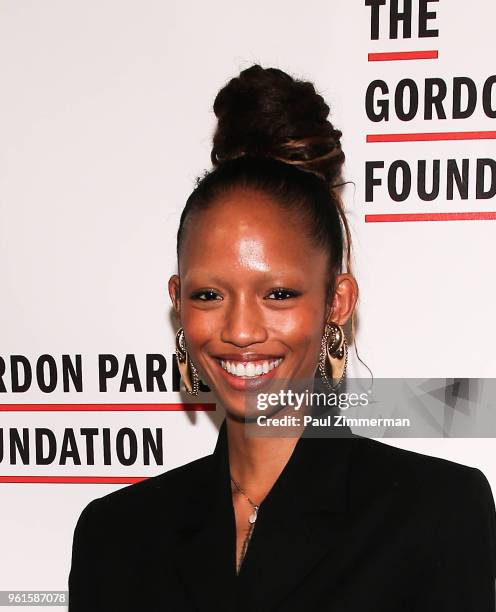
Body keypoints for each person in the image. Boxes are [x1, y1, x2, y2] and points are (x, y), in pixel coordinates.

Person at [68, 65, 496, 611]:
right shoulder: (116, 534)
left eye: (278, 295)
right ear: (177, 298)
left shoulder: (436, 513)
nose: (241, 331)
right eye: (208, 296)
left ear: (336, 301)